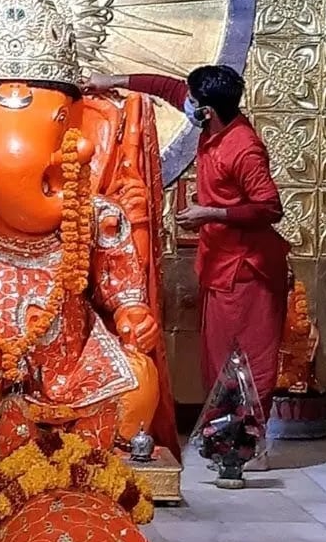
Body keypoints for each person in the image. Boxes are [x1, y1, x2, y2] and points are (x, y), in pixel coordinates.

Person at [86, 66, 290, 460]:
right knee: (217, 360)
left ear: (207, 110)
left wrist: (211, 213)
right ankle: (224, 440)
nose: (187, 103)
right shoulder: (213, 119)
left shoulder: (243, 147)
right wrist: (111, 82)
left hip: (249, 270)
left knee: (248, 361)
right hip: (220, 264)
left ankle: (248, 448)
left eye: (193, 100)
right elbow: (166, 87)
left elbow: (269, 207)